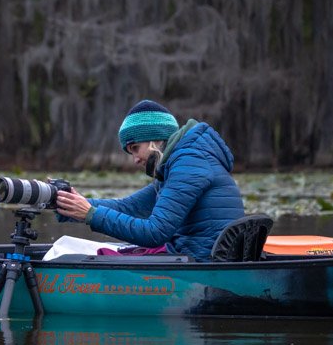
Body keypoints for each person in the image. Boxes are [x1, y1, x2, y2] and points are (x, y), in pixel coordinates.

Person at [54, 99, 245, 260]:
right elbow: (129, 207)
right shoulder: (183, 161)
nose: (135, 159)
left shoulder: (188, 163)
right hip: (196, 254)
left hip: (202, 261)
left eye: (135, 148)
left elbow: (155, 233)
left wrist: (91, 214)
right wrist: (69, 205)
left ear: (155, 138)